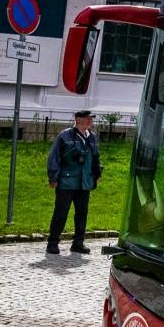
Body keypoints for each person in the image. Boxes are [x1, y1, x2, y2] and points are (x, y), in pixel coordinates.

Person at [47, 109, 103, 255]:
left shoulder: (92, 137)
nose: (90, 121)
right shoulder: (65, 135)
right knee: (61, 213)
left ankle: (78, 243)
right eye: (87, 118)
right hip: (66, 182)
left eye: (91, 119)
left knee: (82, 214)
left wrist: (97, 174)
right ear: (78, 120)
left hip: (84, 182)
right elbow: (54, 157)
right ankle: (52, 243)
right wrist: (53, 177)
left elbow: (96, 157)